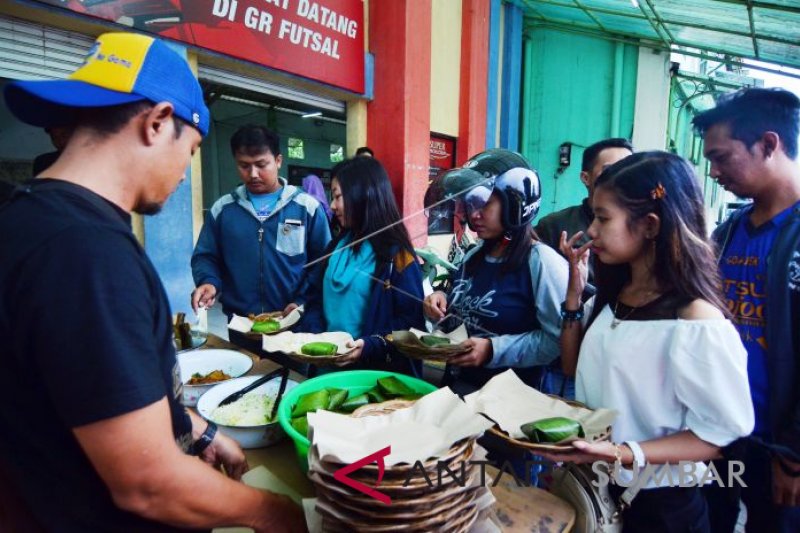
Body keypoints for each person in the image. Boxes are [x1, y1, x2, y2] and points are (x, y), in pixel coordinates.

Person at [0, 32, 303, 532]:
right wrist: (275, 513)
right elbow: (147, 481)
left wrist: (198, 431)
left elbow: (97, 393)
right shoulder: (85, 252)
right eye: (191, 149)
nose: (186, 172)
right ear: (158, 122)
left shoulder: (29, 218)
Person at [555, 151, 754, 532]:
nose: (592, 230)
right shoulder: (615, 297)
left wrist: (624, 453)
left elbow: (718, 433)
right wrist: (573, 297)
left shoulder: (695, 320)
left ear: (649, 225)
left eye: (602, 217)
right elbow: (570, 366)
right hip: (600, 488)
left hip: (661, 507)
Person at [693, 87, 800, 532]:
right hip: (719, 431)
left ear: (769, 144)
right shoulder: (729, 231)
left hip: (777, 446)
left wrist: (793, 456)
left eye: (721, 157)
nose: (714, 172)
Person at [422, 149, 570, 397]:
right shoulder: (474, 255)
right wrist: (440, 299)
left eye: (484, 203)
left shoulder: (541, 263)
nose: (474, 214)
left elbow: (558, 341)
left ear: (516, 204)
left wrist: (493, 350)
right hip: (460, 391)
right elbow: (459, 305)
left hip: (511, 403)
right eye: (470, 203)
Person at [191, 125, 331, 357]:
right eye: (244, 166)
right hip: (242, 325)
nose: (253, 174)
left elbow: (322, 262)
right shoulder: (224, 210)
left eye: (261, 164)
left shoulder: (307, 208)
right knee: (248, 384)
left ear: (278, 160)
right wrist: (209, 281)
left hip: (293, 323)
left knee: (292, 383)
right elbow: (206, 255)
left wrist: (301, 301)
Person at [300, 156, 425, 376]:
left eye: (338, 196)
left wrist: (370, 345)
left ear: (363, 195)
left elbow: (410, 323)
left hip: (371, 374)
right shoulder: (336, 245)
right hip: (326, 368)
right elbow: (314, 298)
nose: (332, 206)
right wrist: (316, 332)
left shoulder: (398, 256)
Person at [535, 137, 632, 283]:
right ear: (586, 178)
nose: (621, 177)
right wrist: (561, 266)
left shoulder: (642, 228)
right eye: (610, 170)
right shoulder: (554, 226)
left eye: (629, 170)